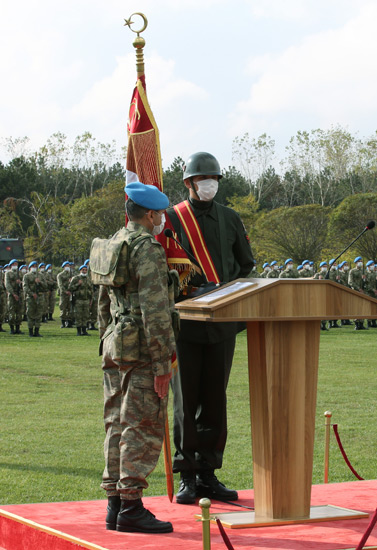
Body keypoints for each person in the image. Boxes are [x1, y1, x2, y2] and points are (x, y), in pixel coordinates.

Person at [167, 152, 255, 505]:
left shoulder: (230, 218)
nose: (210, 184)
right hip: (185, 324)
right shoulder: (171, 218)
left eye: (215, 178)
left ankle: (208, 472)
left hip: (222, 322)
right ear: (189, 183)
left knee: (215, 399)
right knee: (185, 401)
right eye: (204, 179)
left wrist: (226, 293)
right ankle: (187, 474)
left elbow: (246, 264)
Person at [96, 182, 175, 533]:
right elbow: (155, 311)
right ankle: (130, 506)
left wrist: (107, 338)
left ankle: (114, 502)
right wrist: (162, 364)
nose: (161, 220)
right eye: (160, 215)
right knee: (141, 423)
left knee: (116, 420)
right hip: (141, 348)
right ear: (150, 215)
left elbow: (102, 302)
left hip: (114, 342)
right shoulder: (147, 249)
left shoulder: (114, 243)